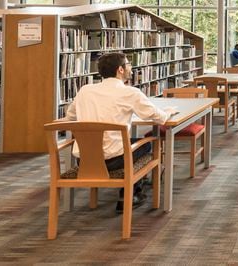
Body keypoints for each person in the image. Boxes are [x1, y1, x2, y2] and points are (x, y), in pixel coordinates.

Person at [65, 52, 174, 213]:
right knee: (149, 144)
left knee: (128, 143)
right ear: (120, 70)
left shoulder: (85, 91)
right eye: (128, 64)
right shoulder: (130, 93)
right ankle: (131, 194)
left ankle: (131, 191)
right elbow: (158, 117)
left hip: (84, 159)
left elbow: (70, 116)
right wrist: (168, 113)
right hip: (115, 160)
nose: (131, 67)